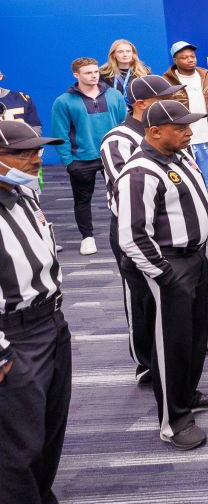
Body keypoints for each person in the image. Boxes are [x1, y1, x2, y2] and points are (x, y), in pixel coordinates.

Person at [116, 100, 208, 450]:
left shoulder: (177, 155)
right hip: (169, 265)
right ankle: (173, 422)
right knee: (172, 346)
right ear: (154, 132)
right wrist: (164, 274)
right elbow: (132, 235)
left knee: (195, 337)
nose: (189, 131)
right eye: (180, 127)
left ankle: (188, 395)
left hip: (194, 258)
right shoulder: (139, 172)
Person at [0, 121, 72, 500]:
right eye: (22, 153)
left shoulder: (25, 192)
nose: (35, 159)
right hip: (13, 336)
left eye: (37, 151)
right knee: (17, 447)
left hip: (51, 322)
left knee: (50, 429)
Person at [101, 75, 184, 385]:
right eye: (164, 96)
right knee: (140, 297)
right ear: (140, 104)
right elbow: (130, 191)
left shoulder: (169, 128)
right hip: (134, 227)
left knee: (172, 291)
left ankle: (176, 345)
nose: (172, 100)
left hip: (168, 226)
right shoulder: (118, 139)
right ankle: (147, 362)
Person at [47, 56, 128, 256]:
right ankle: (87, 237)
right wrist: (68, 161)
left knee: (124, 195)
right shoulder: (63, 101)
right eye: (88, 73)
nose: (93, 76)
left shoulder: (114, 95)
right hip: (81, 159)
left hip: (112, 154)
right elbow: (60, 133)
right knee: (82, 200)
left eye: (95, 72)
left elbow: (123, 124)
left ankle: (128, 232)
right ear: (76, 75)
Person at [163, 41, 208, 234]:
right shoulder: (167, 82)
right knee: (183, 182)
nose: (190, 60)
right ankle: (188, 221)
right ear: (175, 60)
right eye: (184, 57)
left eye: (192, 56)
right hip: (181, 142)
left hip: (207, 137)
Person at [100, 39, 151, 107]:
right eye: (120, 52)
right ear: (113, 54)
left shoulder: (144, 72)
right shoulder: (104, 73)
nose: (125, 54)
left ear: (133, 54)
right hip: (113, 112)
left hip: (136, 113)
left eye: (128, 51)